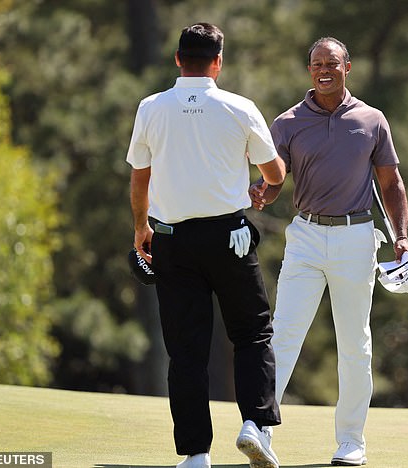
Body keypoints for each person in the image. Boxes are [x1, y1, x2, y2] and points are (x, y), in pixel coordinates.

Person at [127, 23, 285, 468]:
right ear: (218, 62)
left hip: (171, 241)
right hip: (229, 238)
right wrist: (261, 184)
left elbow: (141, 177)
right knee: (252, 334)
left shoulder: (150, 108)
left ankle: (196, 455)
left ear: (178, 59)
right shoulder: (240, 107)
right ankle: (255, 425)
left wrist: (141, 227)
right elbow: (274, 174)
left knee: (186, 351)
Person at [249, 37, 408, 466]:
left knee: (354, 343)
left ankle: (351, 442)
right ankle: (260, 429)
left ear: (347, 67)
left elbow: (391, 183)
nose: (324, 69)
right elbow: (275, 178)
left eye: (332, 63)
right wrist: (263, 193)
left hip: (357, 237)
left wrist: (402, 237)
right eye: (316, 63)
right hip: (305, 236)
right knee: (283, 332)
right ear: (309, 71)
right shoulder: (286, 123)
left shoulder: (371, 120)